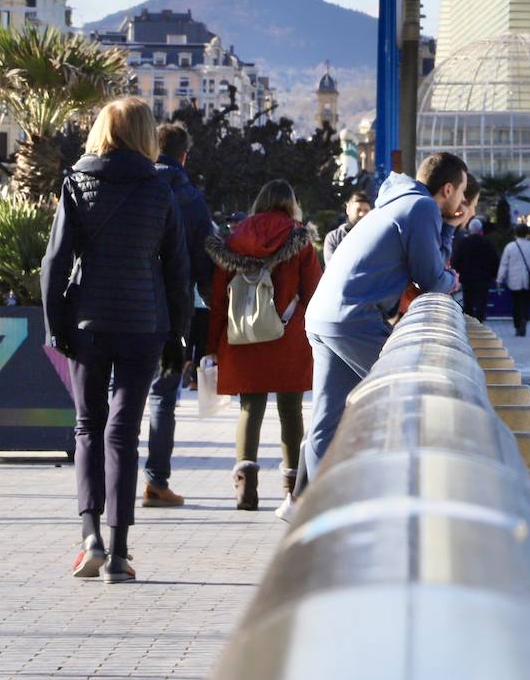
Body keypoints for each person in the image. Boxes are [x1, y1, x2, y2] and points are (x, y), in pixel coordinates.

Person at [42, 97, 190, 583]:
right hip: (144, 323)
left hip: (88, 323)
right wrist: (180, 335)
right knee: (122, 432)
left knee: (88, 426)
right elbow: (176, 269)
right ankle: (121, 552)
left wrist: (56, 326)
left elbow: (55, 263)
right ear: (147, 133)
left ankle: (90, 540)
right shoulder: (160, 189)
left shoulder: (77, 184)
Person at [302, 152, 468, 483]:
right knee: (411, 400)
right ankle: (410, 491)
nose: (464, 200)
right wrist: (454, 279)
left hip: (323, 316)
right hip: (355, 317)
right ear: (448, 190)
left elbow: (428, 265)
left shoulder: (395, 202)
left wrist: (447, 229)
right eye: (463, 191)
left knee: (326, 420)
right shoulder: (421, 208)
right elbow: (434, 279)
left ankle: (306, 507)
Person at [207, 179, 321, 516]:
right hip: (288, 335)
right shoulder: (300, 239)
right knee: (290, 410)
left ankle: (246, 489)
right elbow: (314, 292)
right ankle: (292, 489)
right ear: (291, 204)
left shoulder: (234, 239)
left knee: (249, 409)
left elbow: (217, 298)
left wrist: (212, 344)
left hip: (243, 336)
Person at [142, 121, 215, 508]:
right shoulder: (190, 197)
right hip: (172, 311)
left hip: (126, 304)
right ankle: (156, 481)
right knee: (162, 397)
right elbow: (204, 264)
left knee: (116, 395)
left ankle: (106, 482)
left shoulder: (134, 186)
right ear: (185, 156)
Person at [496, 223, 530, 337]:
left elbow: (504, 265)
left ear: (515, 233)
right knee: (526, 303)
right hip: (528, 280)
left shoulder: (510, 247)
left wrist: (499, 279)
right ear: (527, 233)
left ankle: (517, 325)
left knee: (516, 304)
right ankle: (524, 321)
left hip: (514, 280)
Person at [452, 217, 500, 321]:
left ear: (469, 230)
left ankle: (470, 324)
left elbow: (456, 260)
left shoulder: (463, 243)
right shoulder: (487, 243)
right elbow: (495, 260)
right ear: (480, 230)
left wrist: (458, 274)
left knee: (468, 302)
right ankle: (479, 322)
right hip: (484, 279)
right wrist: (493, 275)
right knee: (481, 303)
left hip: (467, 279)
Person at [323, 191, 371, 266]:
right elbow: (333, 268)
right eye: (358, 210)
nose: (362, 214)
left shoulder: (375, 237)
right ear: (348, 209)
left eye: (366, 211)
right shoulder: (334, 238)